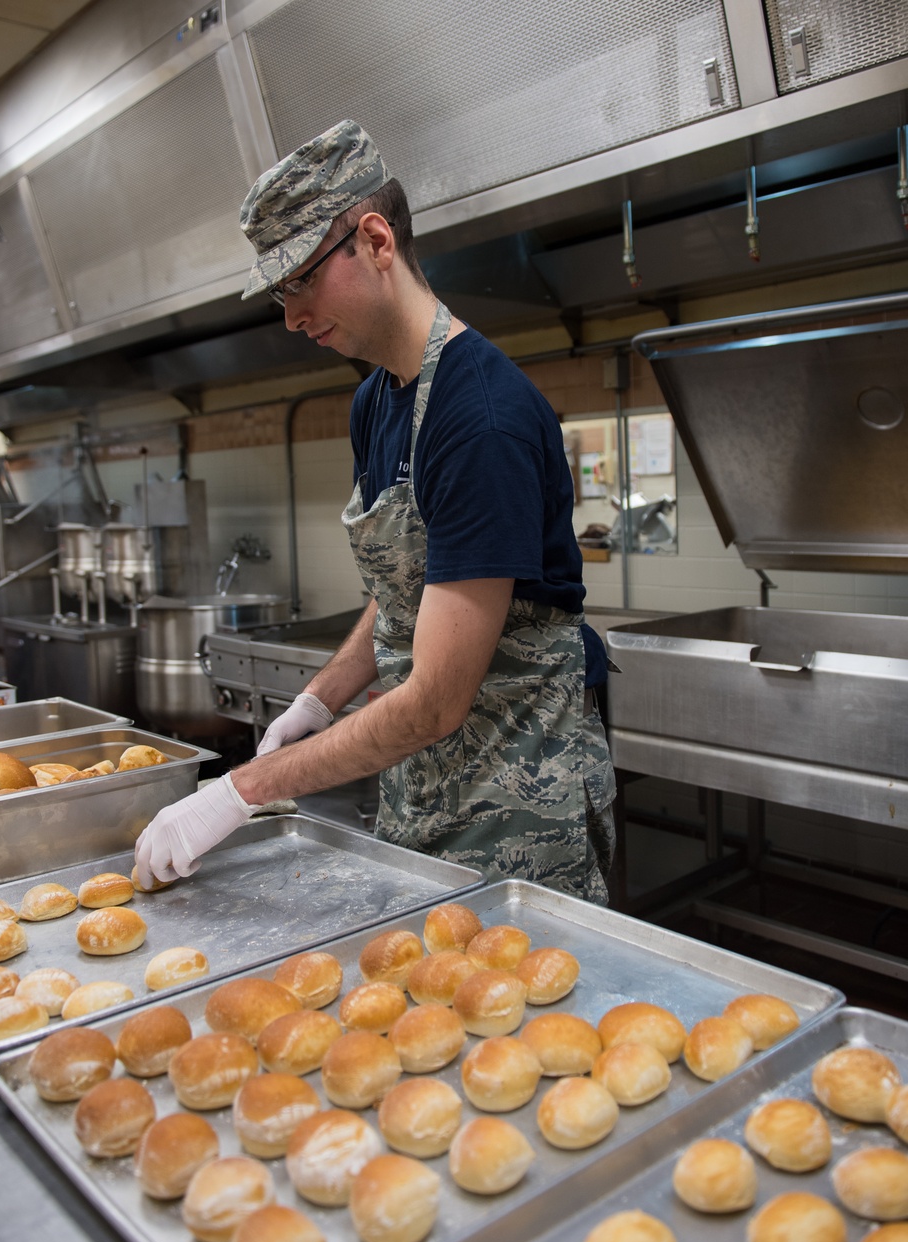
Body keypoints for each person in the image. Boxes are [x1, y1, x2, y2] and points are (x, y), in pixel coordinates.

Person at [135, 120, 615, 900]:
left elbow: (432, 701)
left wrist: (242, 788)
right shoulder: (377, 401)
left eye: (301, 282)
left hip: (519, 808)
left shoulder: (481, 419)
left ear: (377, 240)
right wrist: (318, 699)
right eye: (279, 294)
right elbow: (403, 591)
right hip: (421, 786)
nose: (291, 317)